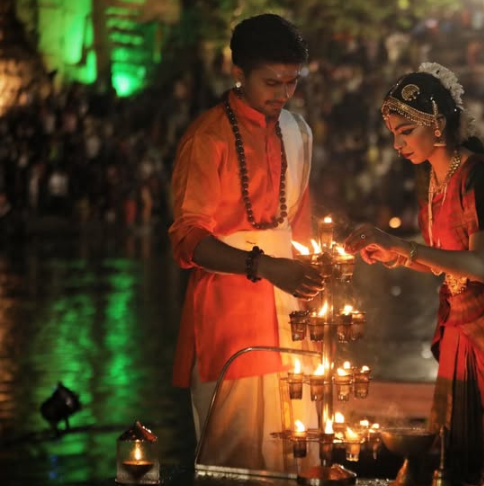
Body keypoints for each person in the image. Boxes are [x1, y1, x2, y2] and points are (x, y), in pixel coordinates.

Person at [343, 62, 484, 483]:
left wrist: (404, 246)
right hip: (461, 320)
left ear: (437, 124)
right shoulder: (433, 180)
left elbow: (478, 266)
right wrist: (395, 255)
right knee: (457, 451)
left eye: (406, 132)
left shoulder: (476, 174)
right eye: (393, 135)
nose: (398, 145)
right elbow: (446, 262)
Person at [168, 14, 324, 471]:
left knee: (299, 453)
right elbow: (189, 240)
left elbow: (301, 230)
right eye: (270, 82)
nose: (281, 94)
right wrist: (269, 268)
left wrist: (315, 284)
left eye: (291, 83)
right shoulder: (207, 137)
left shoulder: (298, 134)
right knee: (235, 461)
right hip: (229, 324)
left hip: (293, 316)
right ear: (238, 73)